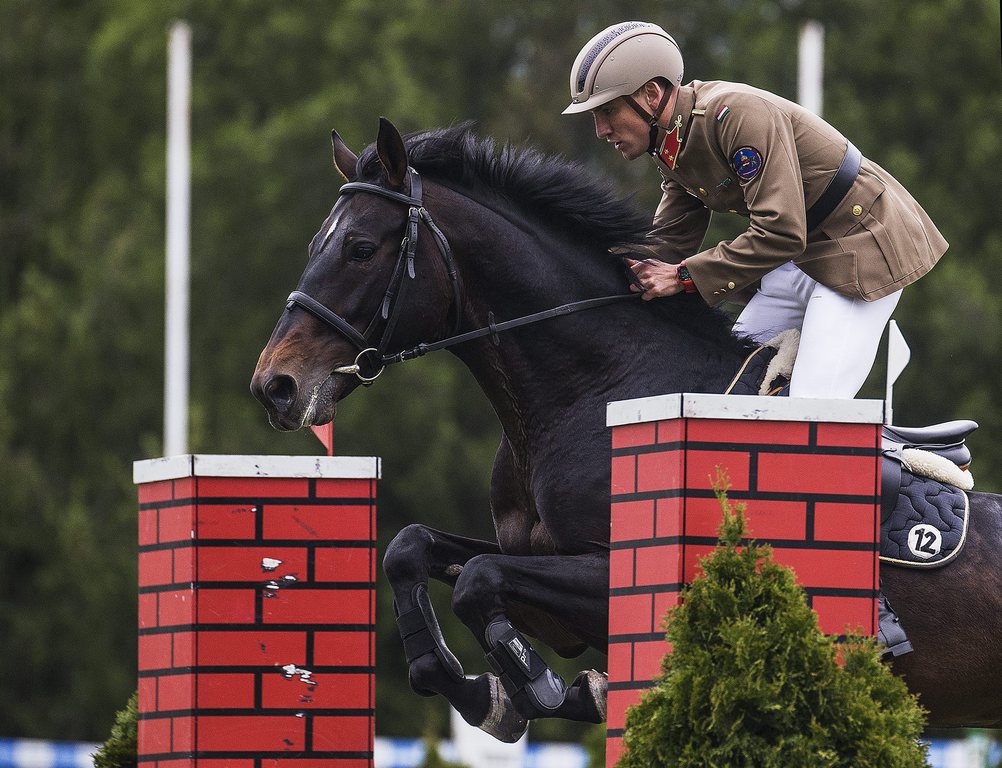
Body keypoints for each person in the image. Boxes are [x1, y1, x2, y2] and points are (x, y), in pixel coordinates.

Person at [562, 21, 947, 398]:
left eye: (608, 112)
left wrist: (681, 278)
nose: (601, 130)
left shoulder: (734, 116)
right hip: (797, 258)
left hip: (859, 244)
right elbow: (669, 244)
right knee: (729, 391)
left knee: (812, 409)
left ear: (649, 95)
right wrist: (592, 268)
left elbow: (780, 231)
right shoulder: (669, 143)